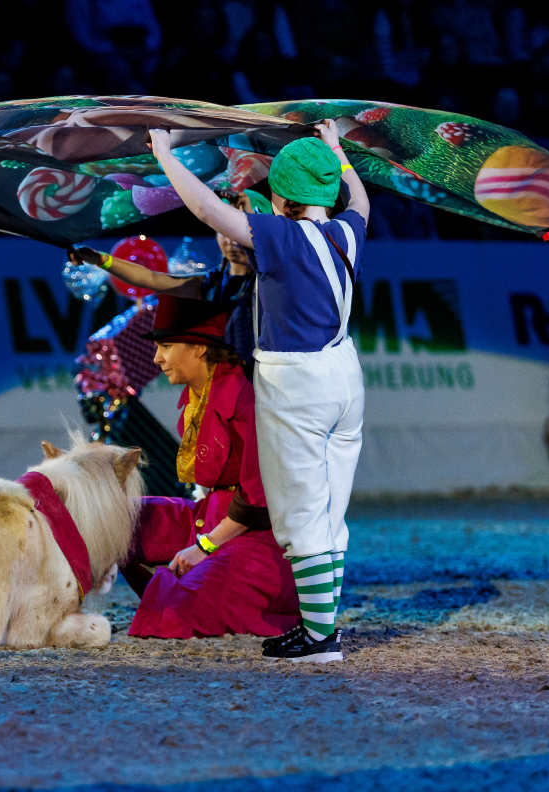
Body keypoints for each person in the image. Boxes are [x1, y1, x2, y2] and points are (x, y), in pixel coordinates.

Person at [147, 120, 369, 662]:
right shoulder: (348, 229)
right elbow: (358, 194)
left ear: (282, 198)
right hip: (344, 375)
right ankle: (321, 627)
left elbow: (206, 211)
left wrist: (165, 155)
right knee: (330, 516)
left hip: (297, 385)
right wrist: (337, 151)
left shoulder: (281, 238)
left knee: (299, 517)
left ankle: (321, 640)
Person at [119, 295, 299, 638]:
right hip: (209, 516)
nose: (157, 358)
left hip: (254, 539)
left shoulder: (243, 398)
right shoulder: (197, 395)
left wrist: (204, 547)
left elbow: (257, 499)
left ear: (199, 348)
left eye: (166, 346)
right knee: (115, 520)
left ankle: (182, 586)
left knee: (176, 612)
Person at [69, 190, 264, 363]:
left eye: (241, 229)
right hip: (224, 386)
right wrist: (100, 259)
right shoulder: (209, 284)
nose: (232, 240)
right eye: (225, 228)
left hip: (264, 385)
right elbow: (150, 278)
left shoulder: (272, 283)